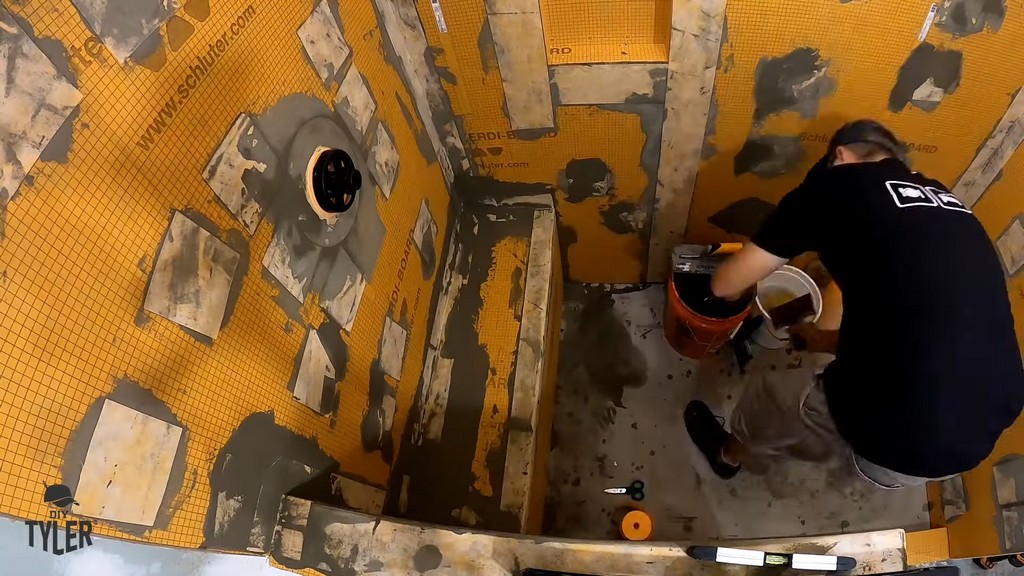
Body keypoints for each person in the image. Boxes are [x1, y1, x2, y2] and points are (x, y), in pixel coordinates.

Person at [684, 119, 1024, 488]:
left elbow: (722, 286)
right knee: (859, 310)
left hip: (902, 427)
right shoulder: (948, 201)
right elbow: (905, 323)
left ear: (840, 155)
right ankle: (855, 451)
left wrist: (728, 298)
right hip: (977, 437)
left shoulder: (833, 187)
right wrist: (815, 339)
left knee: (766, 401)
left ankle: (726, 455)